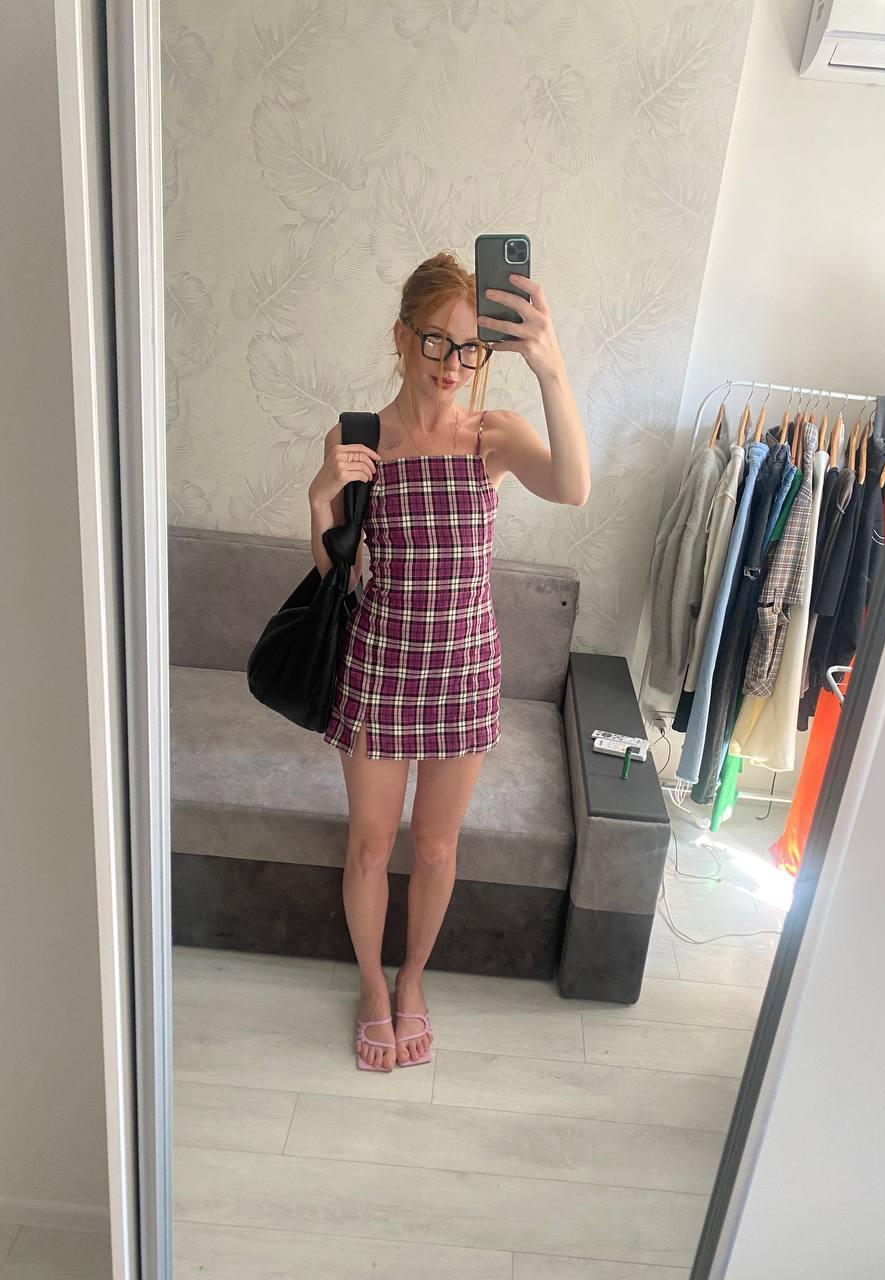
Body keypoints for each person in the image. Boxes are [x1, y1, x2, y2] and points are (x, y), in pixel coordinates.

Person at [307, 251, 590, 1071]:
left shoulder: (491, 437)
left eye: (470, 348)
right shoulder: (358, 439)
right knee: (370, 846)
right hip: (378, 670)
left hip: (463, 674)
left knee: (434, 848)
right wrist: (321, 498)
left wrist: (550, 367)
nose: (452, 365)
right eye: (435, 341)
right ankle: (371, 984)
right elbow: (336, 578)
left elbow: (573, 487)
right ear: (401, 337)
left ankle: (413, 979)